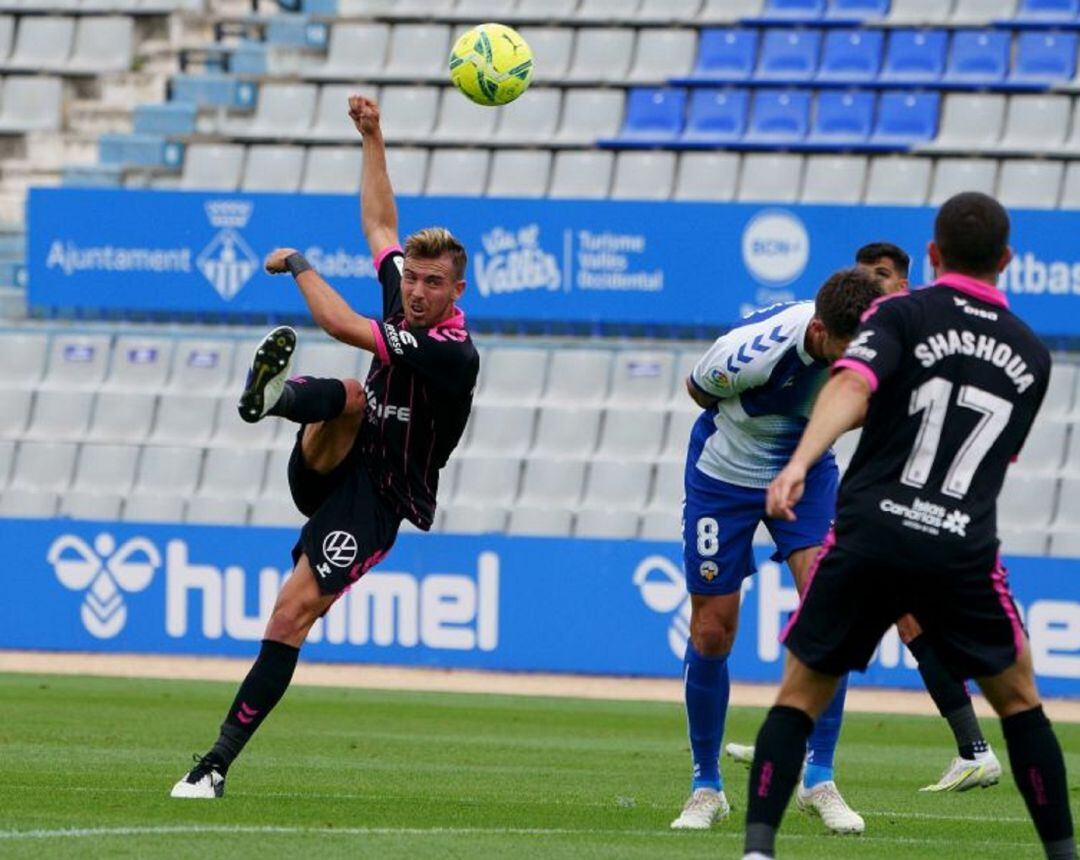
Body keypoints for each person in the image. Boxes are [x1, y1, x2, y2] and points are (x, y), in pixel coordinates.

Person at [742, 192, 1073, 860]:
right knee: (1021, 703)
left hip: (872, 529)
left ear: (932, 254)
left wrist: (801, 462)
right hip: (960, 545)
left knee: (800, 694)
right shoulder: (1033, 356)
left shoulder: (899, 312)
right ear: (1006, 260)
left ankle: (757, 851)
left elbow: (851, 384)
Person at [170, 94, 479, 799]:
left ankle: (214, 764)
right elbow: (379, 224)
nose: (418, 291)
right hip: (333, 454)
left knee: (290, 613)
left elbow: (342, 323)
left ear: (458, 290)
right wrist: (373, 137)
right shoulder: (404, 294)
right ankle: (272, 400)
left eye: (434, 283)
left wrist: (303, 265)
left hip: (378, 499)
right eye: (413, 279)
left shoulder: (452, 353)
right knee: (350, 393)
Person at [728, 240, 1003, 793]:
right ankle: (971, 747)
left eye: (881, 275)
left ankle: (801, 742)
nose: (873, 285)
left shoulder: (909, 336)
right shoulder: (879, 335)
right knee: (893, 613)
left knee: (859, 611)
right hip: (896, 488)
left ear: (903, 283)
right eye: (865, 276)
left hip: (906, 490)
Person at [670, 268, 884, 834]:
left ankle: (819, 778)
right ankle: (706, 786)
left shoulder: (872, 343)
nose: (857, 362)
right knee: (713, 630)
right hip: (725, 476)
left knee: (829, 608)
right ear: (819, 331)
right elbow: (697, 391)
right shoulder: (752, 352)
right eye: (847, 350)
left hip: (809, 475)